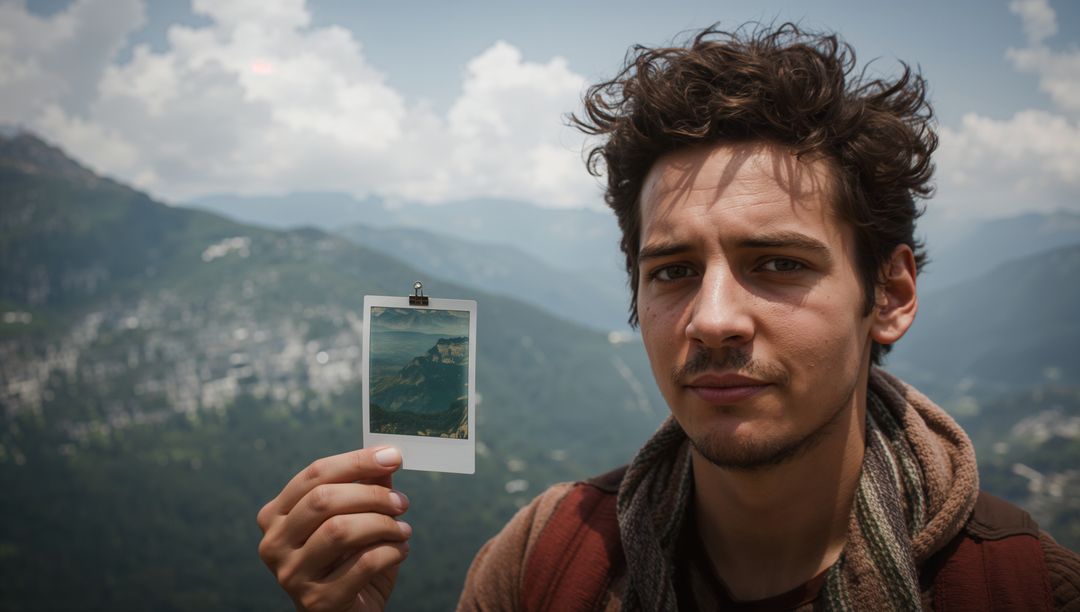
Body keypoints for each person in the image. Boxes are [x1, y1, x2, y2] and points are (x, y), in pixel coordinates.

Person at [256, 23, 1080, 611]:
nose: (713, 318)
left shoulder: (1025, 589)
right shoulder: (543, 566)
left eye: (779, 264)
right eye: (674, 271)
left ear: (890, 296)